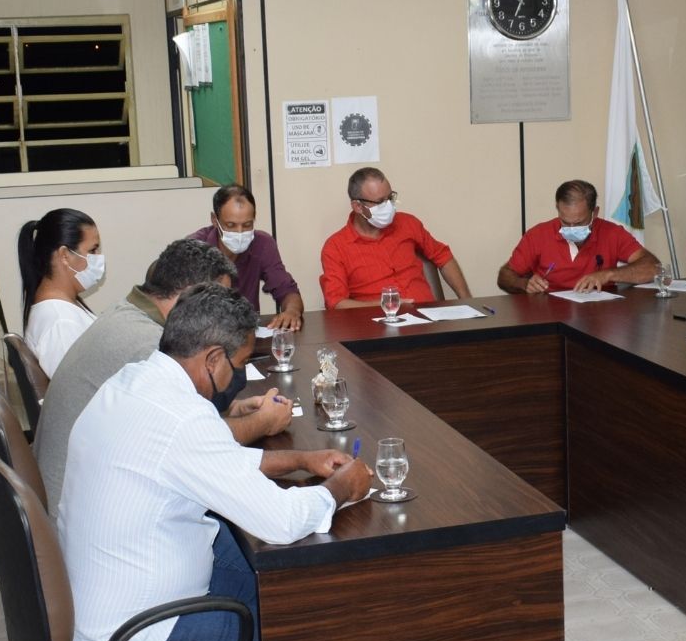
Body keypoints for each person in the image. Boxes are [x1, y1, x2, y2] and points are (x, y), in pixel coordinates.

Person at [56, 284, 373, 641]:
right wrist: (340, 489)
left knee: (246, 555)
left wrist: (300, 460)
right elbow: (282, 521)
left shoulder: (132, 382)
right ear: (213, 359)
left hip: (103, 606)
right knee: (309, 626)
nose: (237, 377)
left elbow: (214, 461)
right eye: (238, 364)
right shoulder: (183, 417)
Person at [34, 238, 291, 501]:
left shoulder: (127, 312)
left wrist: (232, 409)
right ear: (191, 295)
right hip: (84, 502)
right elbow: (197, 444)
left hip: (74, 489)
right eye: (218, 302)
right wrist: (263, 422)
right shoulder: (151, 348)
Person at [319, 167, 470, 308]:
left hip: (428, 317)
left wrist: (467, 301)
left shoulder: (408, 223)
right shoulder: (336, 247)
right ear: (358, 206)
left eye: (390, 198)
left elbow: (443, 256)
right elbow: (336, 302)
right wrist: (387, 305)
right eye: (380, 202)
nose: (388, 206)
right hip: (378, 323)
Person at [498, 179, 659, 294]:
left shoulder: (612, 233)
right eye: (565, 222)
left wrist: (608, 274)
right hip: (551, 314)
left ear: (595, 212)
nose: (571, 228)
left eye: (579, 222)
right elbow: (505, 276)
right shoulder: (538, 235)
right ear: (558, 209)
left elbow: (653, 267)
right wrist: (524, 283)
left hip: (600, 315)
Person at [188, 184, 303, 331]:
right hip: (204, 334)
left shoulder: (262, 243)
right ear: (215, 220)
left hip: (248, 335)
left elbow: (286, 289)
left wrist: (292, 312)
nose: (240, 232)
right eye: (231, 225)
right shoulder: (195, 249)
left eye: (247, 225)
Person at [19, 208, 101, 377]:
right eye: (92, 250)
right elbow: (76, 387)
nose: (99, 258)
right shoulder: (61, 323)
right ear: (64, 255)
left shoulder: (62, 306)